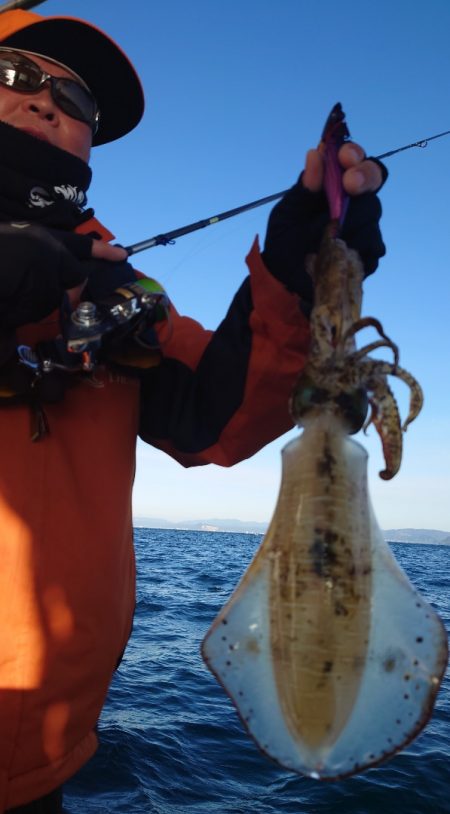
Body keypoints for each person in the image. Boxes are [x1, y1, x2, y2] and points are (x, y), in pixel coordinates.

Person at [0, 8, 386, 813]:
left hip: (39, 757)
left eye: (74, 99)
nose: (44, 101)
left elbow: (216, 416)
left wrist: (297, 276)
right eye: (14, 74)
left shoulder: (113, 291)